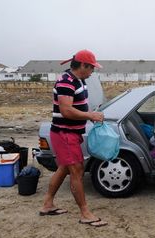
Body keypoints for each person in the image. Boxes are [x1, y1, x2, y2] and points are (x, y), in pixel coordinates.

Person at [39, 49, 108, 227]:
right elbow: (66, 110)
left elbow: (79, 105)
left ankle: (47, 204)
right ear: (83, 65)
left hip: (71, 133)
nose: (93, 71)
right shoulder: (66, 81)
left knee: (63, 168)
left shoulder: (80, 80)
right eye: (91, 67)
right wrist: (90, 116)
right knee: (77, 170)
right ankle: (85, 213)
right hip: (64, 134)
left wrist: (91, 111)